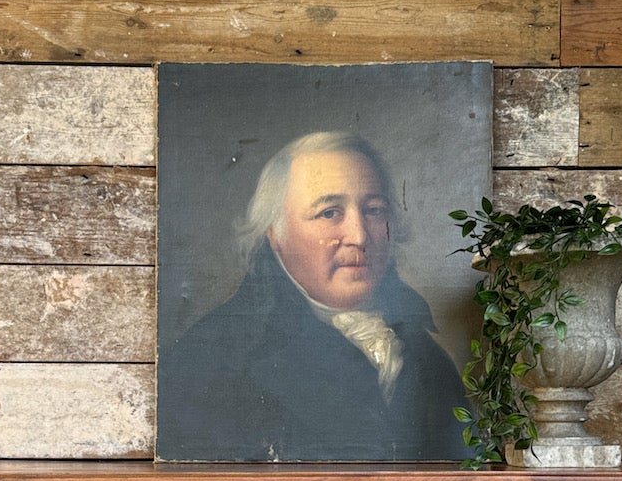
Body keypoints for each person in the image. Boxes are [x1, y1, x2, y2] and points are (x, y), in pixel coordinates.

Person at [157, 131, 468, 461]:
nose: (359, 236)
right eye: (330, 212)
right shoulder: (211, 360)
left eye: (374, 210)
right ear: (276, 234)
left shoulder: (429, 359)